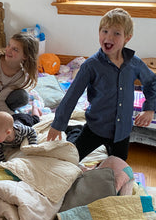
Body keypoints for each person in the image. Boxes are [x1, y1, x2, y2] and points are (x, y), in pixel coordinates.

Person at [47, 8, 156, 161]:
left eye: (116, 33)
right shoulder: (91, 65)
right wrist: (58, 124)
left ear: (127, 38)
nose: (108, 37)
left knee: (118, 170)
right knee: (70, 161)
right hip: (95, 128)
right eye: (104, 31)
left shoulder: (134, 63)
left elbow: (152, 82)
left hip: (122, 133)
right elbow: (72, 95)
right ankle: (75, 131)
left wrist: (149, 109)